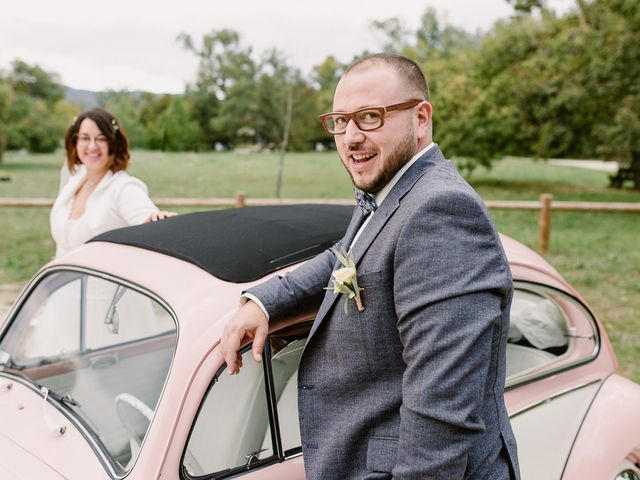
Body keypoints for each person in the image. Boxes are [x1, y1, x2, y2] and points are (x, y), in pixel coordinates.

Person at [221, 53, 520, 479]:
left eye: (370, 117)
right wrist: (264, 303)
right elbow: (344, 257)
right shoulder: (393, 189)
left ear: (421, 118)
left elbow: (441, 416)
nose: (350, 137)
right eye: (340, 121)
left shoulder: (442, 212)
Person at [50, 108, 175, 258]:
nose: (92, 146)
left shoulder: (124, 188)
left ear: (114, 144)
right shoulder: (74, 179)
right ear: (75, 142)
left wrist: (159, 220)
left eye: (101, 139)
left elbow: (147, 218)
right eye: (85, 138)